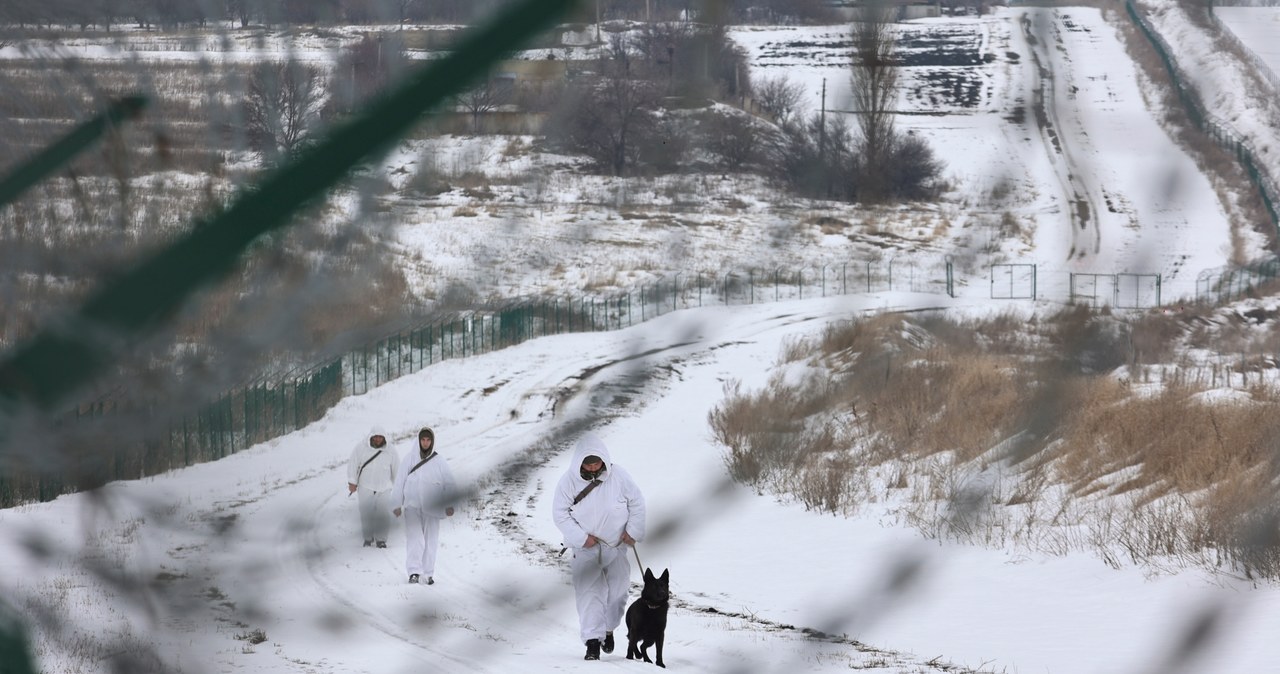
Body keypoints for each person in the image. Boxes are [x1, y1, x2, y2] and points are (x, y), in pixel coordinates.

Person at [552, 433, 646, 661]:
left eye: (597, 461)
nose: (593, 466)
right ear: (579, 462)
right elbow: (559, 514)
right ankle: (592, 642)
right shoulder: (567, 482)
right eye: (588, 462)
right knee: (589, 593)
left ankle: (608, 629)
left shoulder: (619, 476)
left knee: (619, 591)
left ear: (604, 459)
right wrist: (582, 538)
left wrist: (632, 531)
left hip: (616, 545)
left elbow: (637, 502)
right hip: (585, 548)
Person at [391, 427, 458, 585]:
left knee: (430, 541)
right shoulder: (409, 459)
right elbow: (400, 481)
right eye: (423, 439)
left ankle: (427, 573)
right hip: (412, 506)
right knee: (415, 539)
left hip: (433, 507)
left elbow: (449, 483)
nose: (426, 442)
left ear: (432, 441)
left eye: (428, 440)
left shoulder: (439, 461)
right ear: (419, 440)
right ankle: (414, 571)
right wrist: (396, 503)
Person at [346, 425, 399, 548]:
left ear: (384, 438)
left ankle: (381, 540)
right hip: (366, 486)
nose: (378, 439)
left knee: (383, 513)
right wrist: (352, 482)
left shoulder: (391, 450)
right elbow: (352, 464)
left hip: (384, 487)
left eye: (380, 437)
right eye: (376, 437)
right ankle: (368, 538)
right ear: (371, 437)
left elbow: (397, 469)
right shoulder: (361, 448)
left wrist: (399, 486)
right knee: (366, 513)